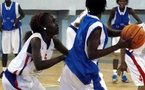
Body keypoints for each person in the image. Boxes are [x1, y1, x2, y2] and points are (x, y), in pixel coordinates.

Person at [59, 0, 132, 90]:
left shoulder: (86, 18)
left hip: (69, 69)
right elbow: (92, 54)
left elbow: (109, 32)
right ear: (104, 8)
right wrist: (117, 46)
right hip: (83, 72)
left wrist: (125, 32)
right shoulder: (97, 27)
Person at [2, 12, 68, 90]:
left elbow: (68, 53)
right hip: (15, 79)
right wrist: (61, 58)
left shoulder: (54, 40)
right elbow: (39, 65)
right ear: (44, 26)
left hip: (29, 79)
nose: (56, 24)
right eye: (52, 22)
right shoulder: (36, 40)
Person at [107, 0, 142, 83]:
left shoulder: (130, 10)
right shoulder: (114, 10)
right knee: (116, 55)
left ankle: (124, 75)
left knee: (125, 55)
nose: (122, 3)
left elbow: (139, 21)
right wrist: (110, 30)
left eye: (124, 1)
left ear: (126, 2)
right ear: (118, 2)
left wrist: (131, 28)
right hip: (116, 35)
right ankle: (115, 74)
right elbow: (109, 21)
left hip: (126, 35)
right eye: (120, 1)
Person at [0, 0, 25, 78]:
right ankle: (4, 71)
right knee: (4, 51)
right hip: (5, 30)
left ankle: (17, 70)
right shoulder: (1, 6)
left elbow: (23, 14)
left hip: (15, 30)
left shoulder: (16, 5)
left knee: (16, 51)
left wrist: (17, 19)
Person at [118, 23, 145, 90]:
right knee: (143, 83)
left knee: (142, 83)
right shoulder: (137, 28)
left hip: (142, 55)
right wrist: (123, 62)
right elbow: (122, 42)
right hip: (133, 55)